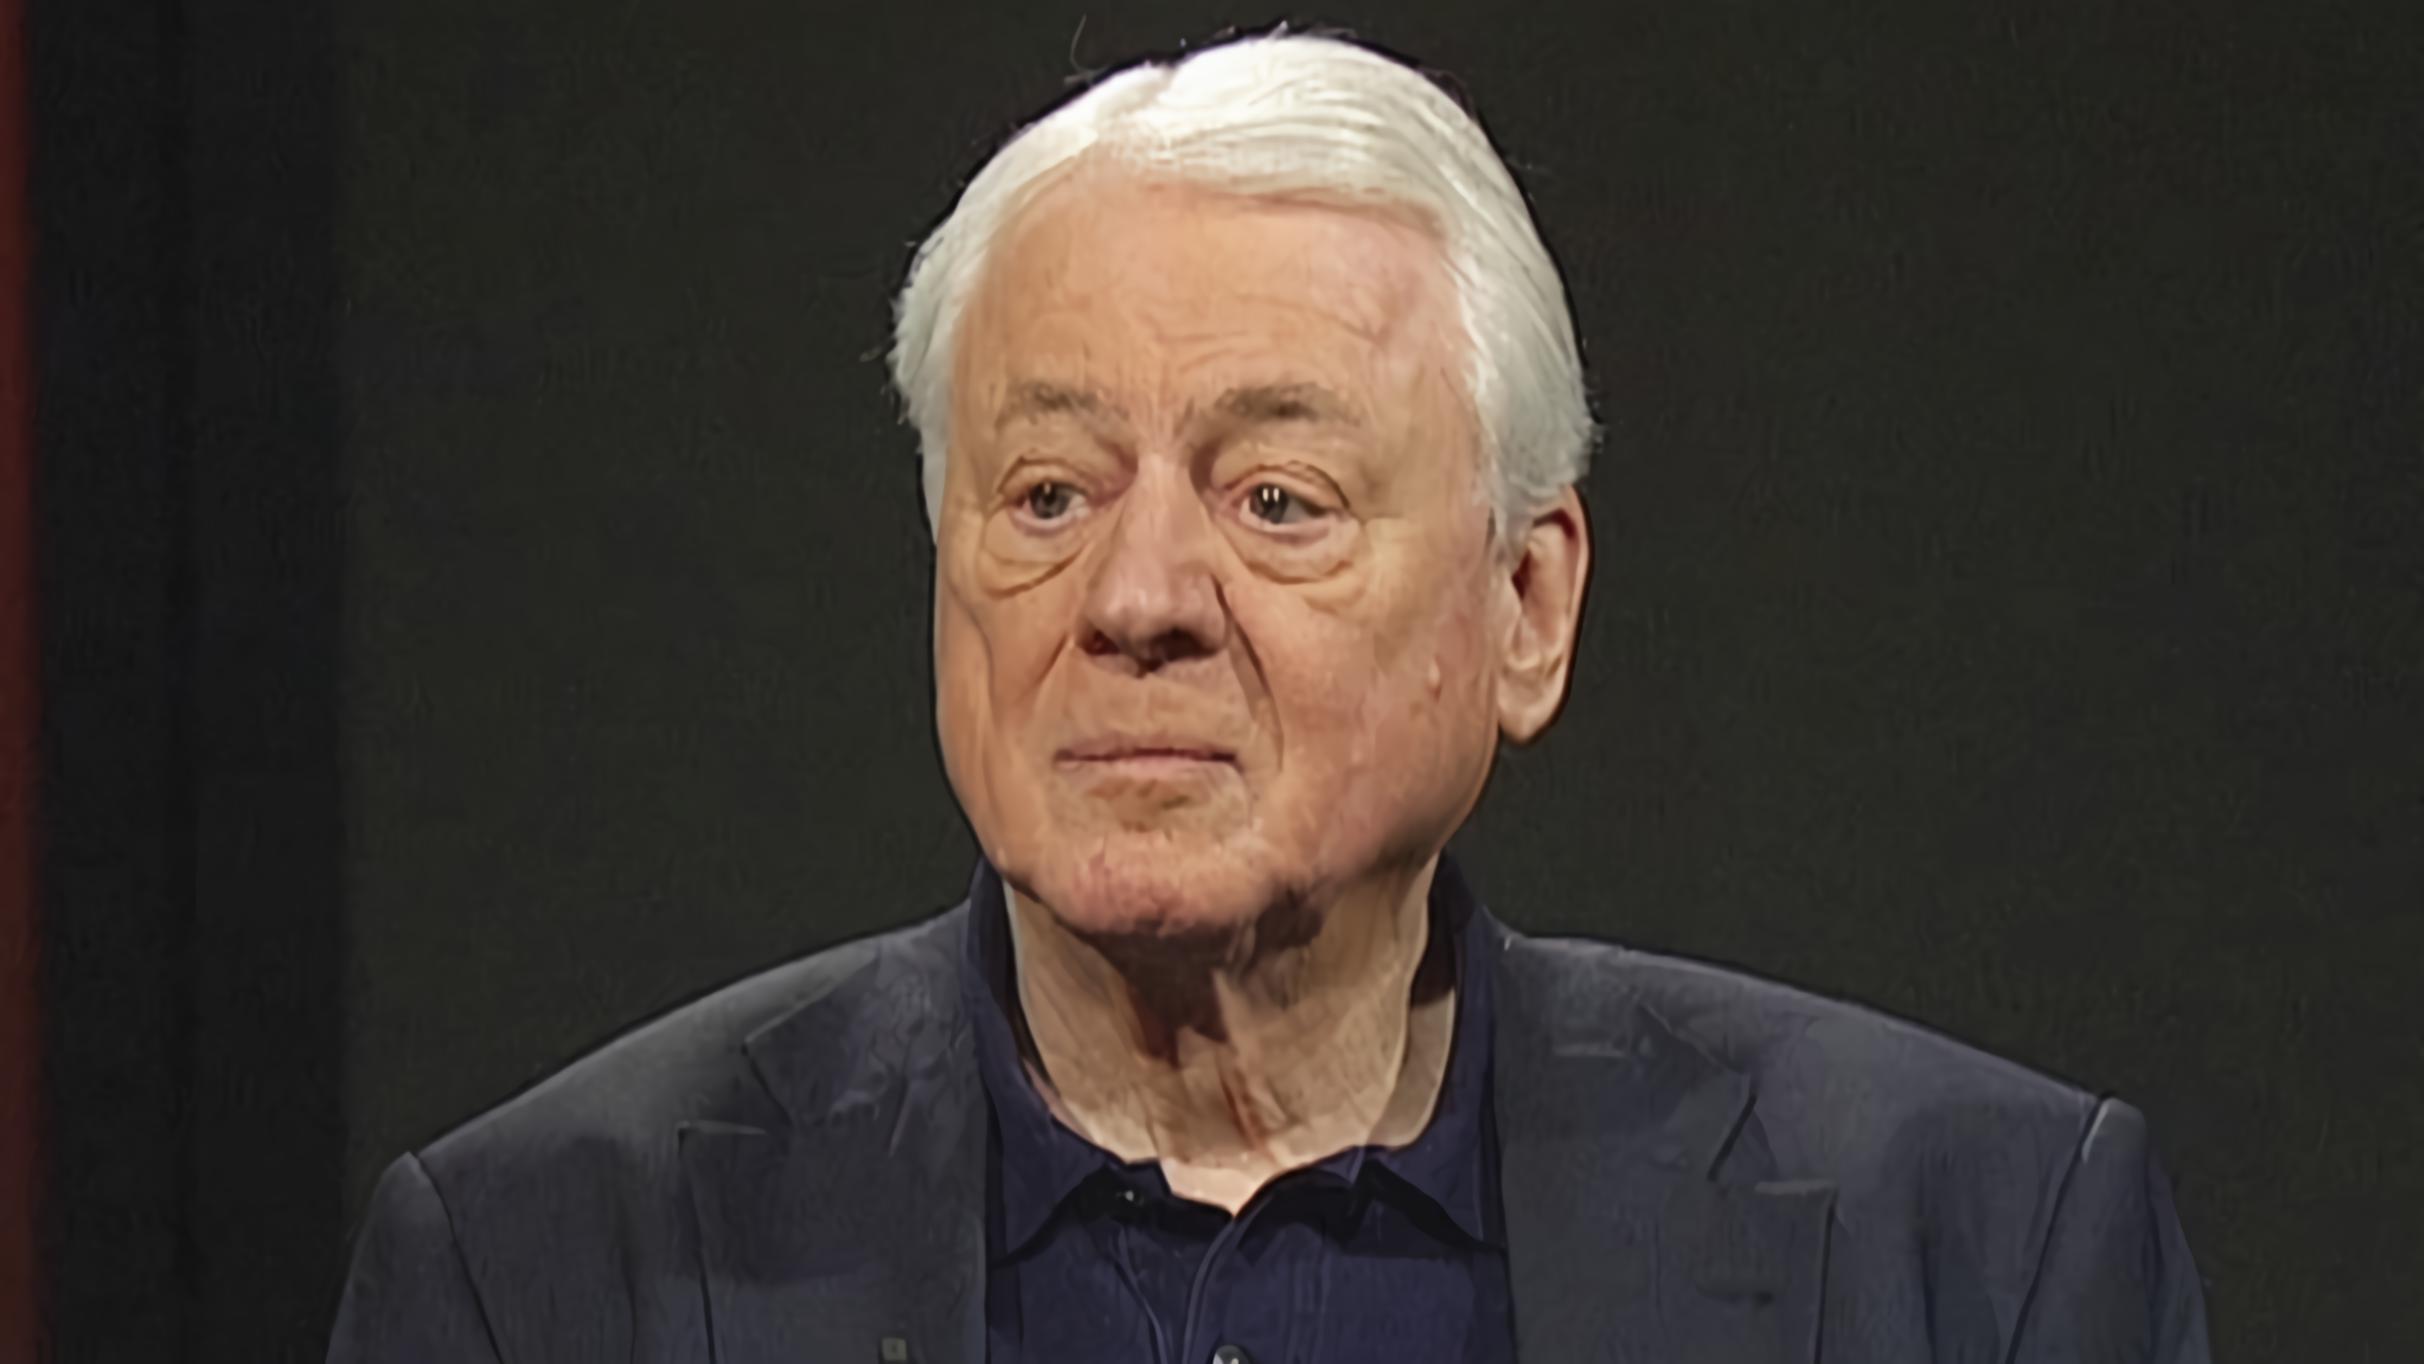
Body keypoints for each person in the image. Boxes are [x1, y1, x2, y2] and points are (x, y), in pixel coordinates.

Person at [327, 29, 2210, 1364]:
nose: (1136, 600)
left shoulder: (1968, 1257)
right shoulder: (541, 1274)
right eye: (1047, 495)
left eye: (1277, 500)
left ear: (1528, 603)